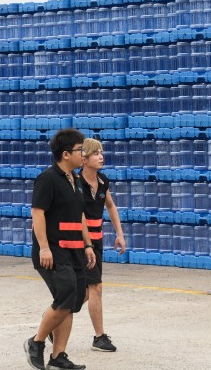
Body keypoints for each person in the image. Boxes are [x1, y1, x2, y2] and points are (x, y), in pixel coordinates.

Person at [25, 128, 96, 370]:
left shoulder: (75, 180)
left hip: (75, 249)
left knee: (75, 298)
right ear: (66, 154)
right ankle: (36, 342)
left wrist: (88, 245)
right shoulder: (48, 178)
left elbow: (80, 216)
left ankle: (58, 356)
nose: (83, 155)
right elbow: (38, 214)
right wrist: (44, 248)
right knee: (66, 295)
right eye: (80, 151)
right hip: (54, 252)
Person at [78, 137, 127, 352]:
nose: (101, 157)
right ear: (84, 159)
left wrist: (119, 233)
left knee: (88, 291)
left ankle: (56, 316)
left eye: (101, 153)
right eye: (96, 154)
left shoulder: (103, 181)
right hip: (79, 242)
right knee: (95, 287)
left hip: (96, 242)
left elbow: (111, 206)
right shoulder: (74, 183)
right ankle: (99, 337)